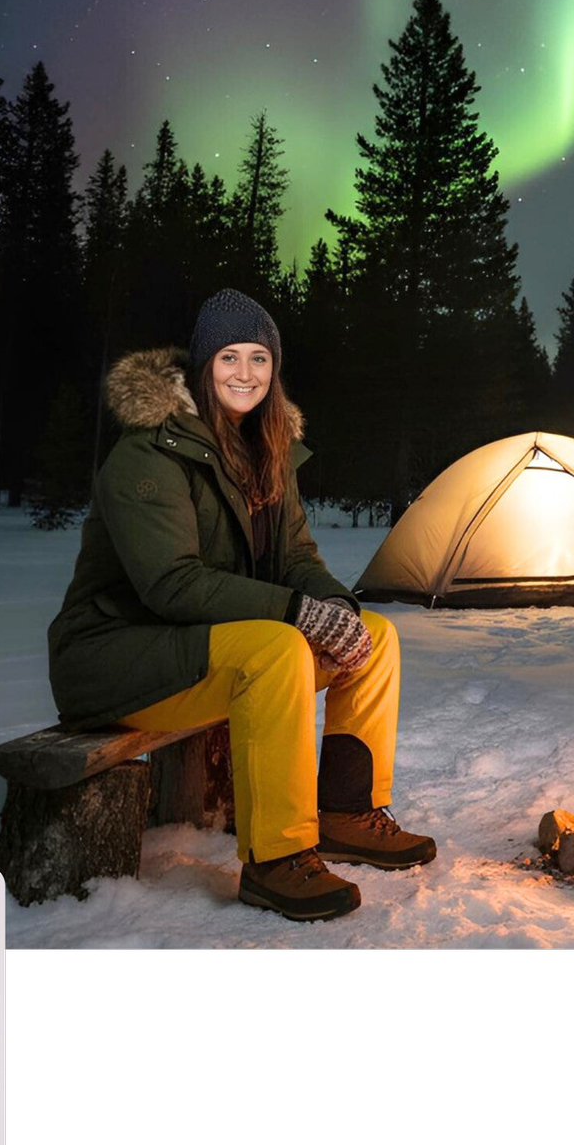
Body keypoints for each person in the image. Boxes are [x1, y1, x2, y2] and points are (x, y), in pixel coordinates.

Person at [46, 287, 436, 921]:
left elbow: (299, 560)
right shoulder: (147, 453)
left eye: (260, 358)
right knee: (278, 646)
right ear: (204, 366)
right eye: (230, 357)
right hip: (114, 656)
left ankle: (344, 810)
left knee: (375, 635)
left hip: (196, 647)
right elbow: (171, 584)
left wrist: (332, 605)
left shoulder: (268, 451)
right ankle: (276, 859)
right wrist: (297, 614)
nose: (246, 374)